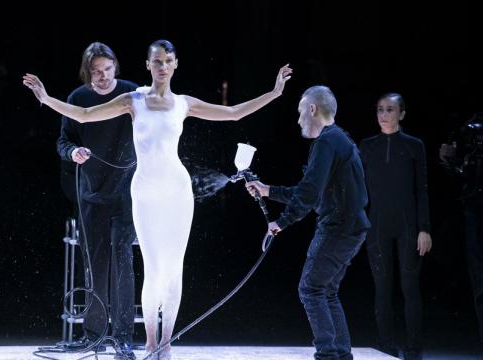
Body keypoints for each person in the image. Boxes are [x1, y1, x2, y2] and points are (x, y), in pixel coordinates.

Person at [24, 39, 293, 360]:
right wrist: (45, 98)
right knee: (152, 269)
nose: (162, 67)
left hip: (177, 190)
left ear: (175, 64)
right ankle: (149, 342)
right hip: (143, 190)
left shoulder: (183, 103)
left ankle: (165, 344)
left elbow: (233, 113)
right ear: (148, 65)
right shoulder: (133, 100)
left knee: (174, 269)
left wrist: (274, 93)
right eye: (157, 61)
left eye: (168, 61)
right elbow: (82, 115)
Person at [245, 85, 370, 360]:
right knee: (326, 291)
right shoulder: (339, 139)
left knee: (311, 289)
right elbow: (310, 191)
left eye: (301, 112)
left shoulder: (326, 142)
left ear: (312, 109)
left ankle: (328, 355)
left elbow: (309, 194)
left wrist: (282, 221)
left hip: (339, 227)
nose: (299, 118)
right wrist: (268, 190)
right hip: (352, 227)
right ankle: (340, 355)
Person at [55, 42, 139, 359]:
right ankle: (94, 334)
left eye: (107, 69)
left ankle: (123, 338)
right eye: (96, 71)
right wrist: (72, 152)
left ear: (115, 67)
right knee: (95, 265)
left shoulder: (132, 94)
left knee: (123, 264)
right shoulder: (78, 99)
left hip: (126, 195)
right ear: (87, 72)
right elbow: (63, 140)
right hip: (91, 193)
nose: (103, 76)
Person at [359, 93, 432, 360]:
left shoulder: (414, 146)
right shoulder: (366, 146)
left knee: (410, 286)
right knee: (382, 287)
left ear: (402, 114)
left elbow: (422, 189)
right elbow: (357, 188)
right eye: (380, 109)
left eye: (390, 109)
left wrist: (424, 228)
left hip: (408, 226)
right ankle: (385, 346)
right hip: (376, 224)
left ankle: (414, 348)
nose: (384, 114)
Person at [439, 113, 483, 347]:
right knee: (480, 286)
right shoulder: (470, 127)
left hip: (474, 209)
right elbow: (461, 172)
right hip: (475, 208)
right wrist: (450, 160)